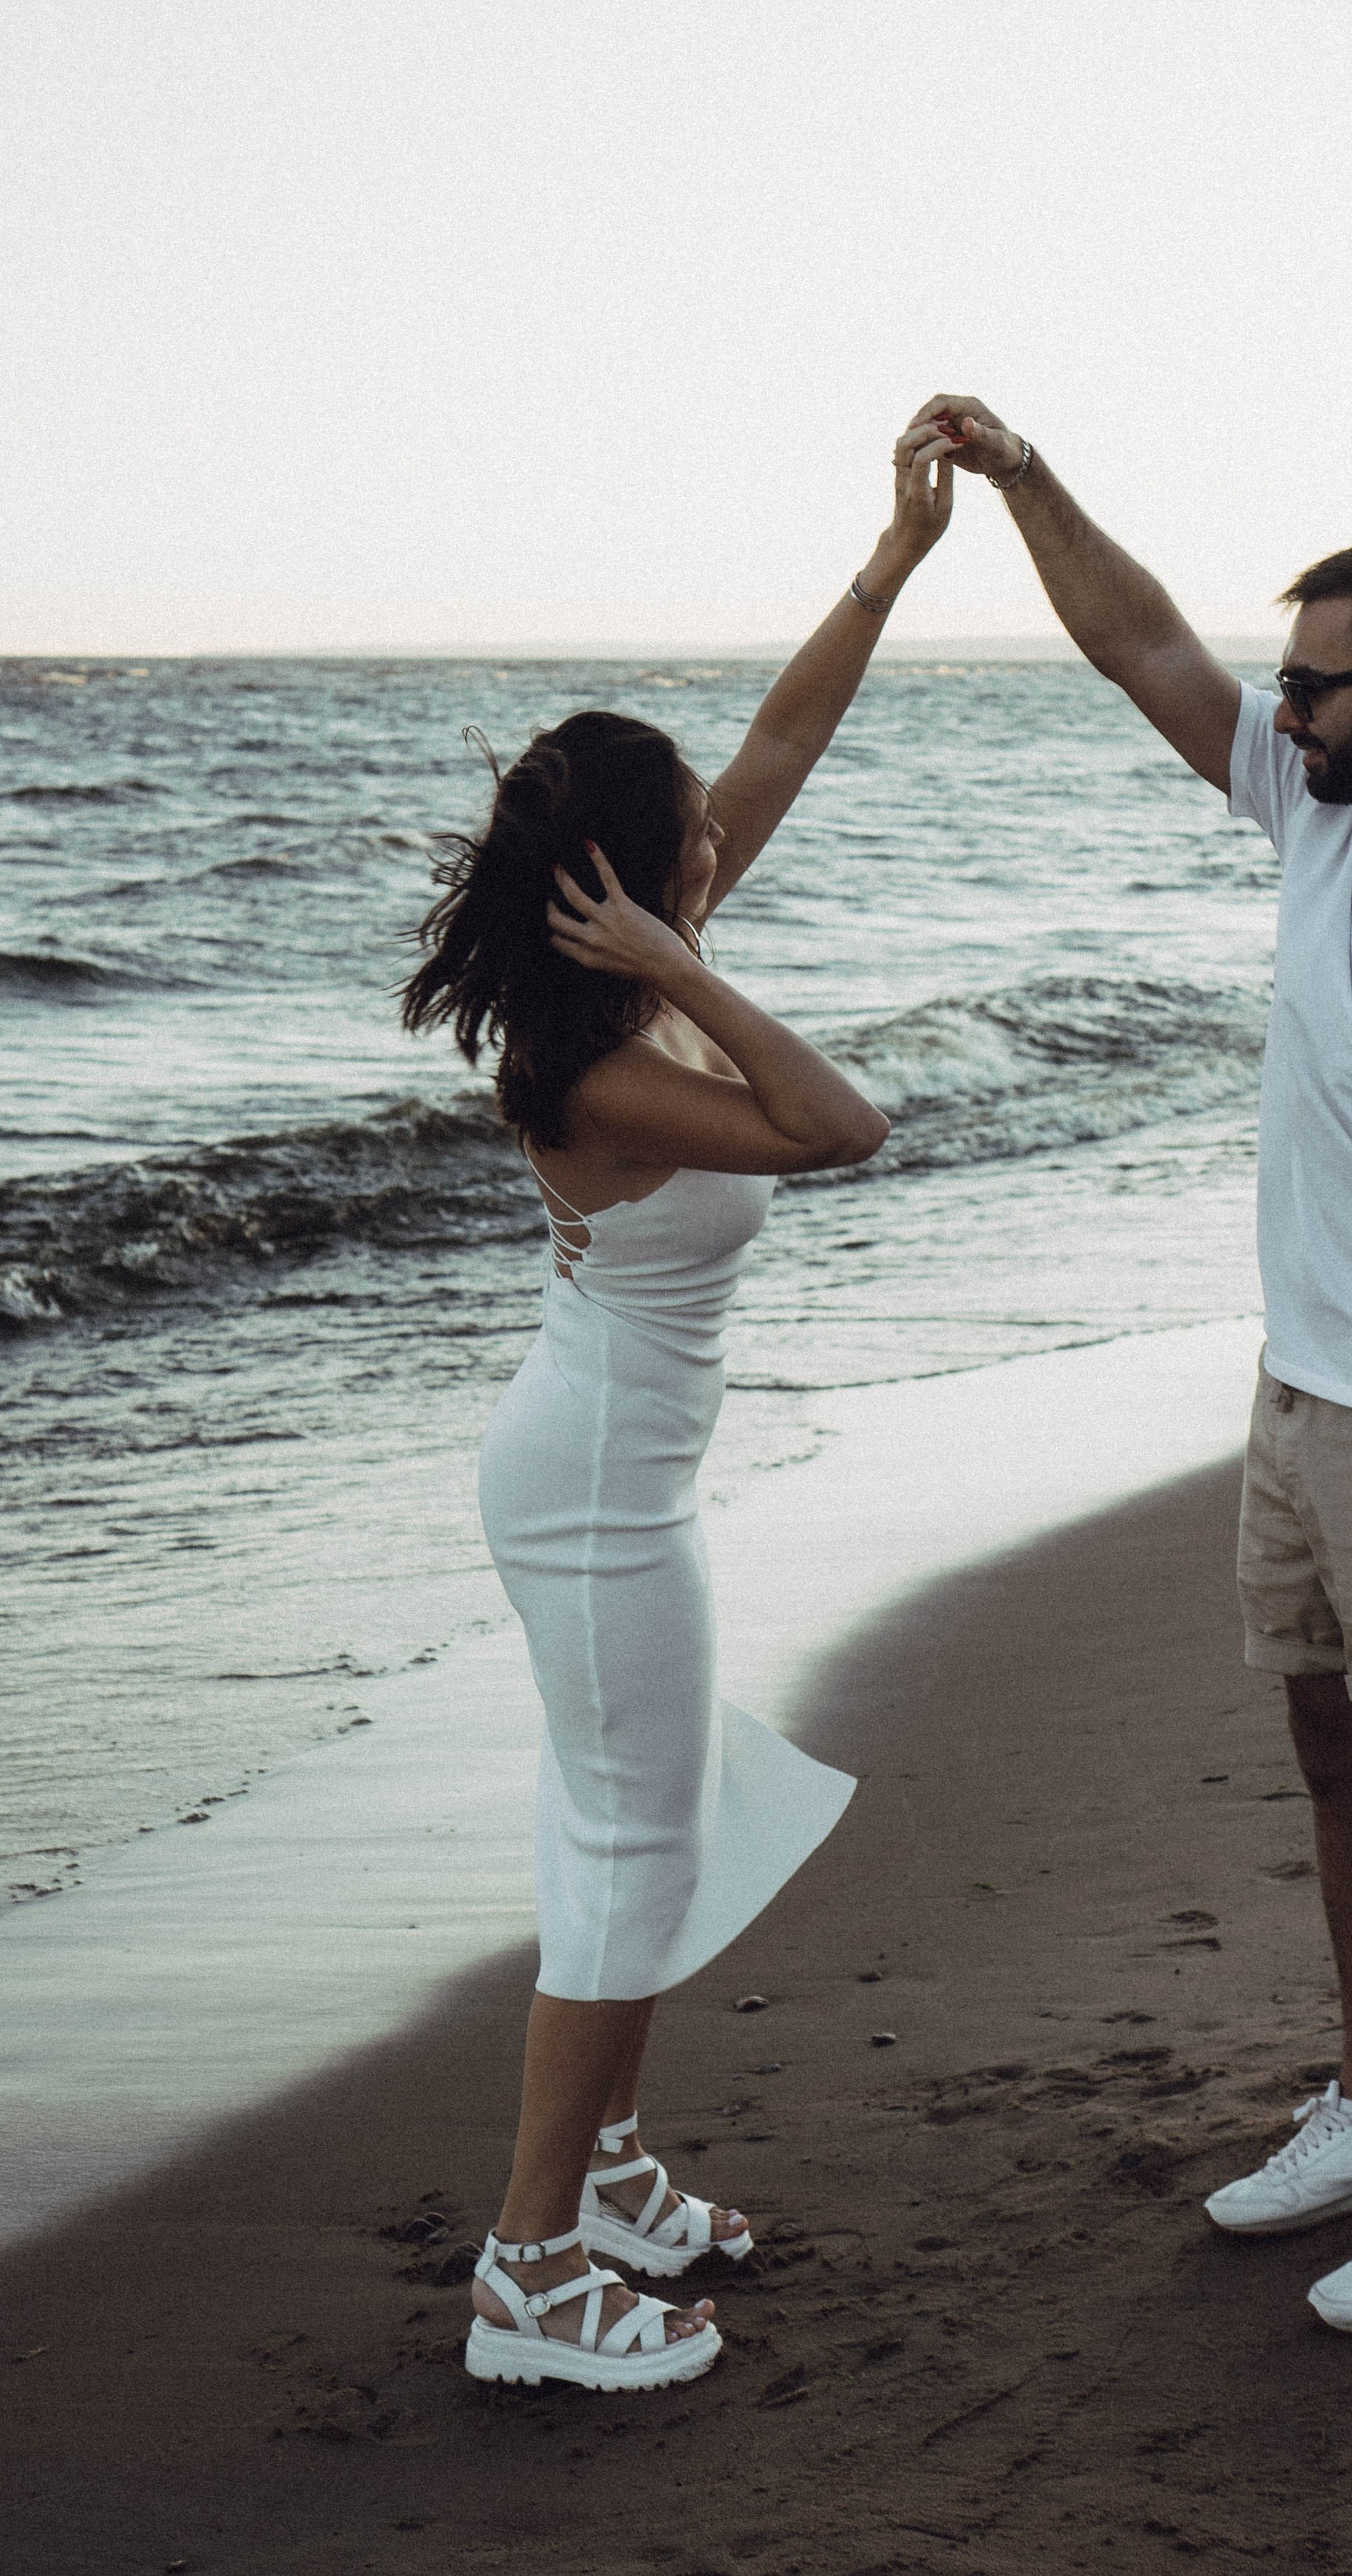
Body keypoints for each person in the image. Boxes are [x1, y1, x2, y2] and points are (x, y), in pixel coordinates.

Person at [925, 396, 1352, 2334]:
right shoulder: (1319, 822)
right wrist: (1021, 483)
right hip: (1302, 1387)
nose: (1276, 710)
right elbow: (1135, 642)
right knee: (1337, 1753)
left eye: (1311, 687)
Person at [399, 420, 954, 2390]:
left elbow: (786, 742)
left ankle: (608, 2168)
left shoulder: (636, 964)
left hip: (604, 1464)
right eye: (695, 838)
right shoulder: (603, 1058)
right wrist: (689, 970)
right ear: (631, 889)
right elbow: (845, 1125)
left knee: (628, 1821)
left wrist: (890, 560)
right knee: (632, 1845)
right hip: (595, 1493)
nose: (737, 824)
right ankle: (529, 2276)